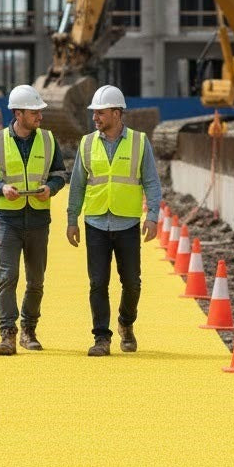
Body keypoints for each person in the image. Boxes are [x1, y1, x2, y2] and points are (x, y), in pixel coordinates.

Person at [66, 84, 162, 357]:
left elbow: (152, 183)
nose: (95, 118)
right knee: (98, 282)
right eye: (94, 113)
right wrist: (72, 219)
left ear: (117, 113)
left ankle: (126, 323)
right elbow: (77, 185)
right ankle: (101, 337)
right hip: (95, 221)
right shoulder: (86, 143)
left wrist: (152, 216)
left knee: (132, 282)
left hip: (127, 223)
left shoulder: (139, 142)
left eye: (101, 112)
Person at [0, 84, 66, 355]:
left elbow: (60, 174)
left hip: (38, 219)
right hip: (8, 219)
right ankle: (8, 334)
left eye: (40, 111)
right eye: (34, 111)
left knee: (36, 280)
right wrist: (1, 188)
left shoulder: (48, 140)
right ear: (18, 113)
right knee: (7, 277)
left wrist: (51, 187)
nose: (39, 115)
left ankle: (29, 330)